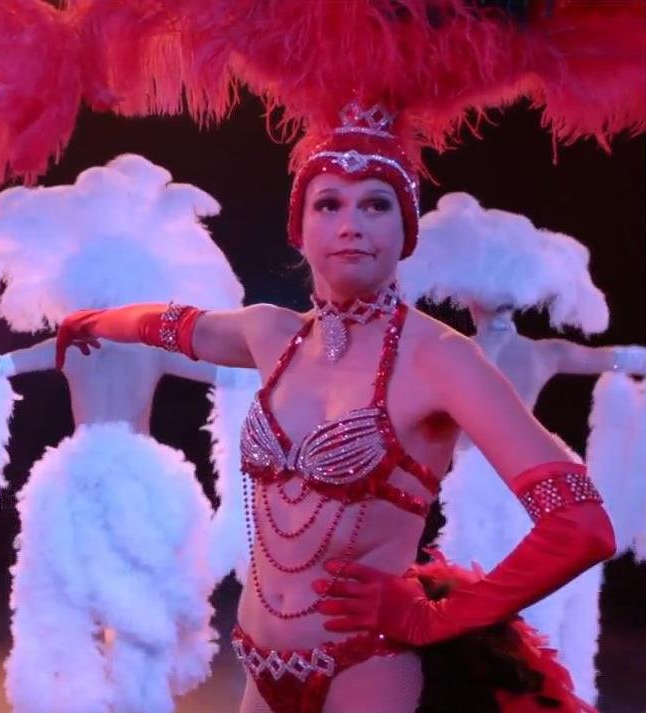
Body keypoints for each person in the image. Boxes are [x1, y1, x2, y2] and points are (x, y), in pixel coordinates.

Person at [55, 104, 614, 713]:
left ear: (406, 231)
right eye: (328, 205)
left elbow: (581, 526)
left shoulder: (442, 358)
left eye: (375, 205)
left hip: (366, 668)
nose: (351, 225)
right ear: (299, 229)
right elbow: (171, 324)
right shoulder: (269, 333)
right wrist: (89, 321)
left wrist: (440, 619)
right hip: (260, 668)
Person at [0, 154, 243, 713]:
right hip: (133, 475)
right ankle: (129, 696)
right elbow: (228, 374)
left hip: (87, 474)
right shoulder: (145, 348)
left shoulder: (74, 347)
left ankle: (89, 697)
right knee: (128, 592)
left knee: (78, 594)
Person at [399, 192, 646, 702]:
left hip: (504, 484)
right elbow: (613, 357)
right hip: (533, 478)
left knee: (494, 601)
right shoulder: (529, 352)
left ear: (474, 297)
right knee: (524, 602)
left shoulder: (468, 353)